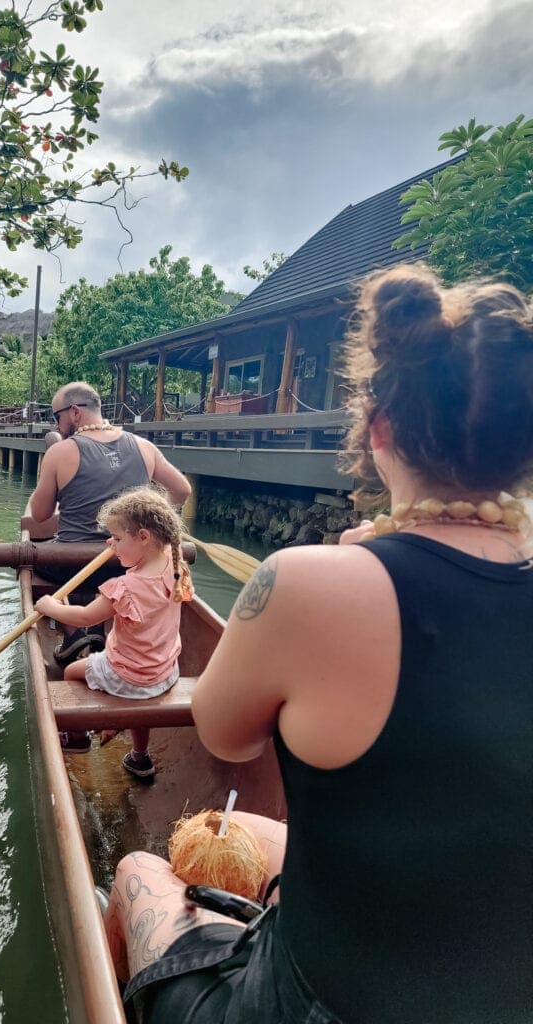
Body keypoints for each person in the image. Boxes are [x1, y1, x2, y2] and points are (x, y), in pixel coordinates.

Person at [104, 264, 533, 1024]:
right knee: (263, 839)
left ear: (381, 430)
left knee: (139, 871)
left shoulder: (310, 585)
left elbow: (224, 735)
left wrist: (355, 561)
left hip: (315, 1007)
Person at [27, 380, 191, 665]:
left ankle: (75, 629)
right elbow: (182, 491)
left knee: (37, 560)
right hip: (129, 565)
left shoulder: (60, 452)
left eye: (57, 417)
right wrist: (151, 515)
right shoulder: (144, 447)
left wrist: (49, 469)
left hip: (74, 565)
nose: (56, 425)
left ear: (75, 412)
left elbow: (39, 515)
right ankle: (101, 627)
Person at [35, 487, 194, 779]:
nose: (111, 544)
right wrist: (121, 543)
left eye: (118, 539)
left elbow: (83, 616)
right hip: (164, 672)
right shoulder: (175, 562)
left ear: (144, 537)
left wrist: (50, 606)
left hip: (129, 676)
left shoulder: (126, 588)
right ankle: (140, 756)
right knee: (142, 702)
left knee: (71, 671)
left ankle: (78, 737)